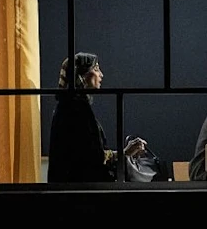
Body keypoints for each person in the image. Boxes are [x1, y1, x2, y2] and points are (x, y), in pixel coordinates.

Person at [47, 53, 145, 183]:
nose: (101, 74)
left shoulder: (69, 106)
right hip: (80, 189)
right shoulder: (76, 109)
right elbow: (91, 157)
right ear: (81, 75)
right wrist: (123, 153)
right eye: (96, 69)